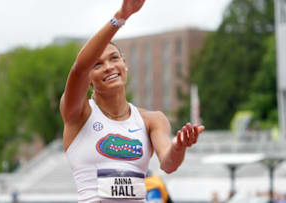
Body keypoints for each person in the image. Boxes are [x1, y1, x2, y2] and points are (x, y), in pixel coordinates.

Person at [60, 0, 205, 202]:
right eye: (98, 64)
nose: (109, 67)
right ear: (89, 78)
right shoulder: (78, 114)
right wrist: (120, 17)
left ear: (125, 64)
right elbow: (78, 69)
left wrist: (179, 147)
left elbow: (169, 164)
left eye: (114, 58)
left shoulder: (152, 120)